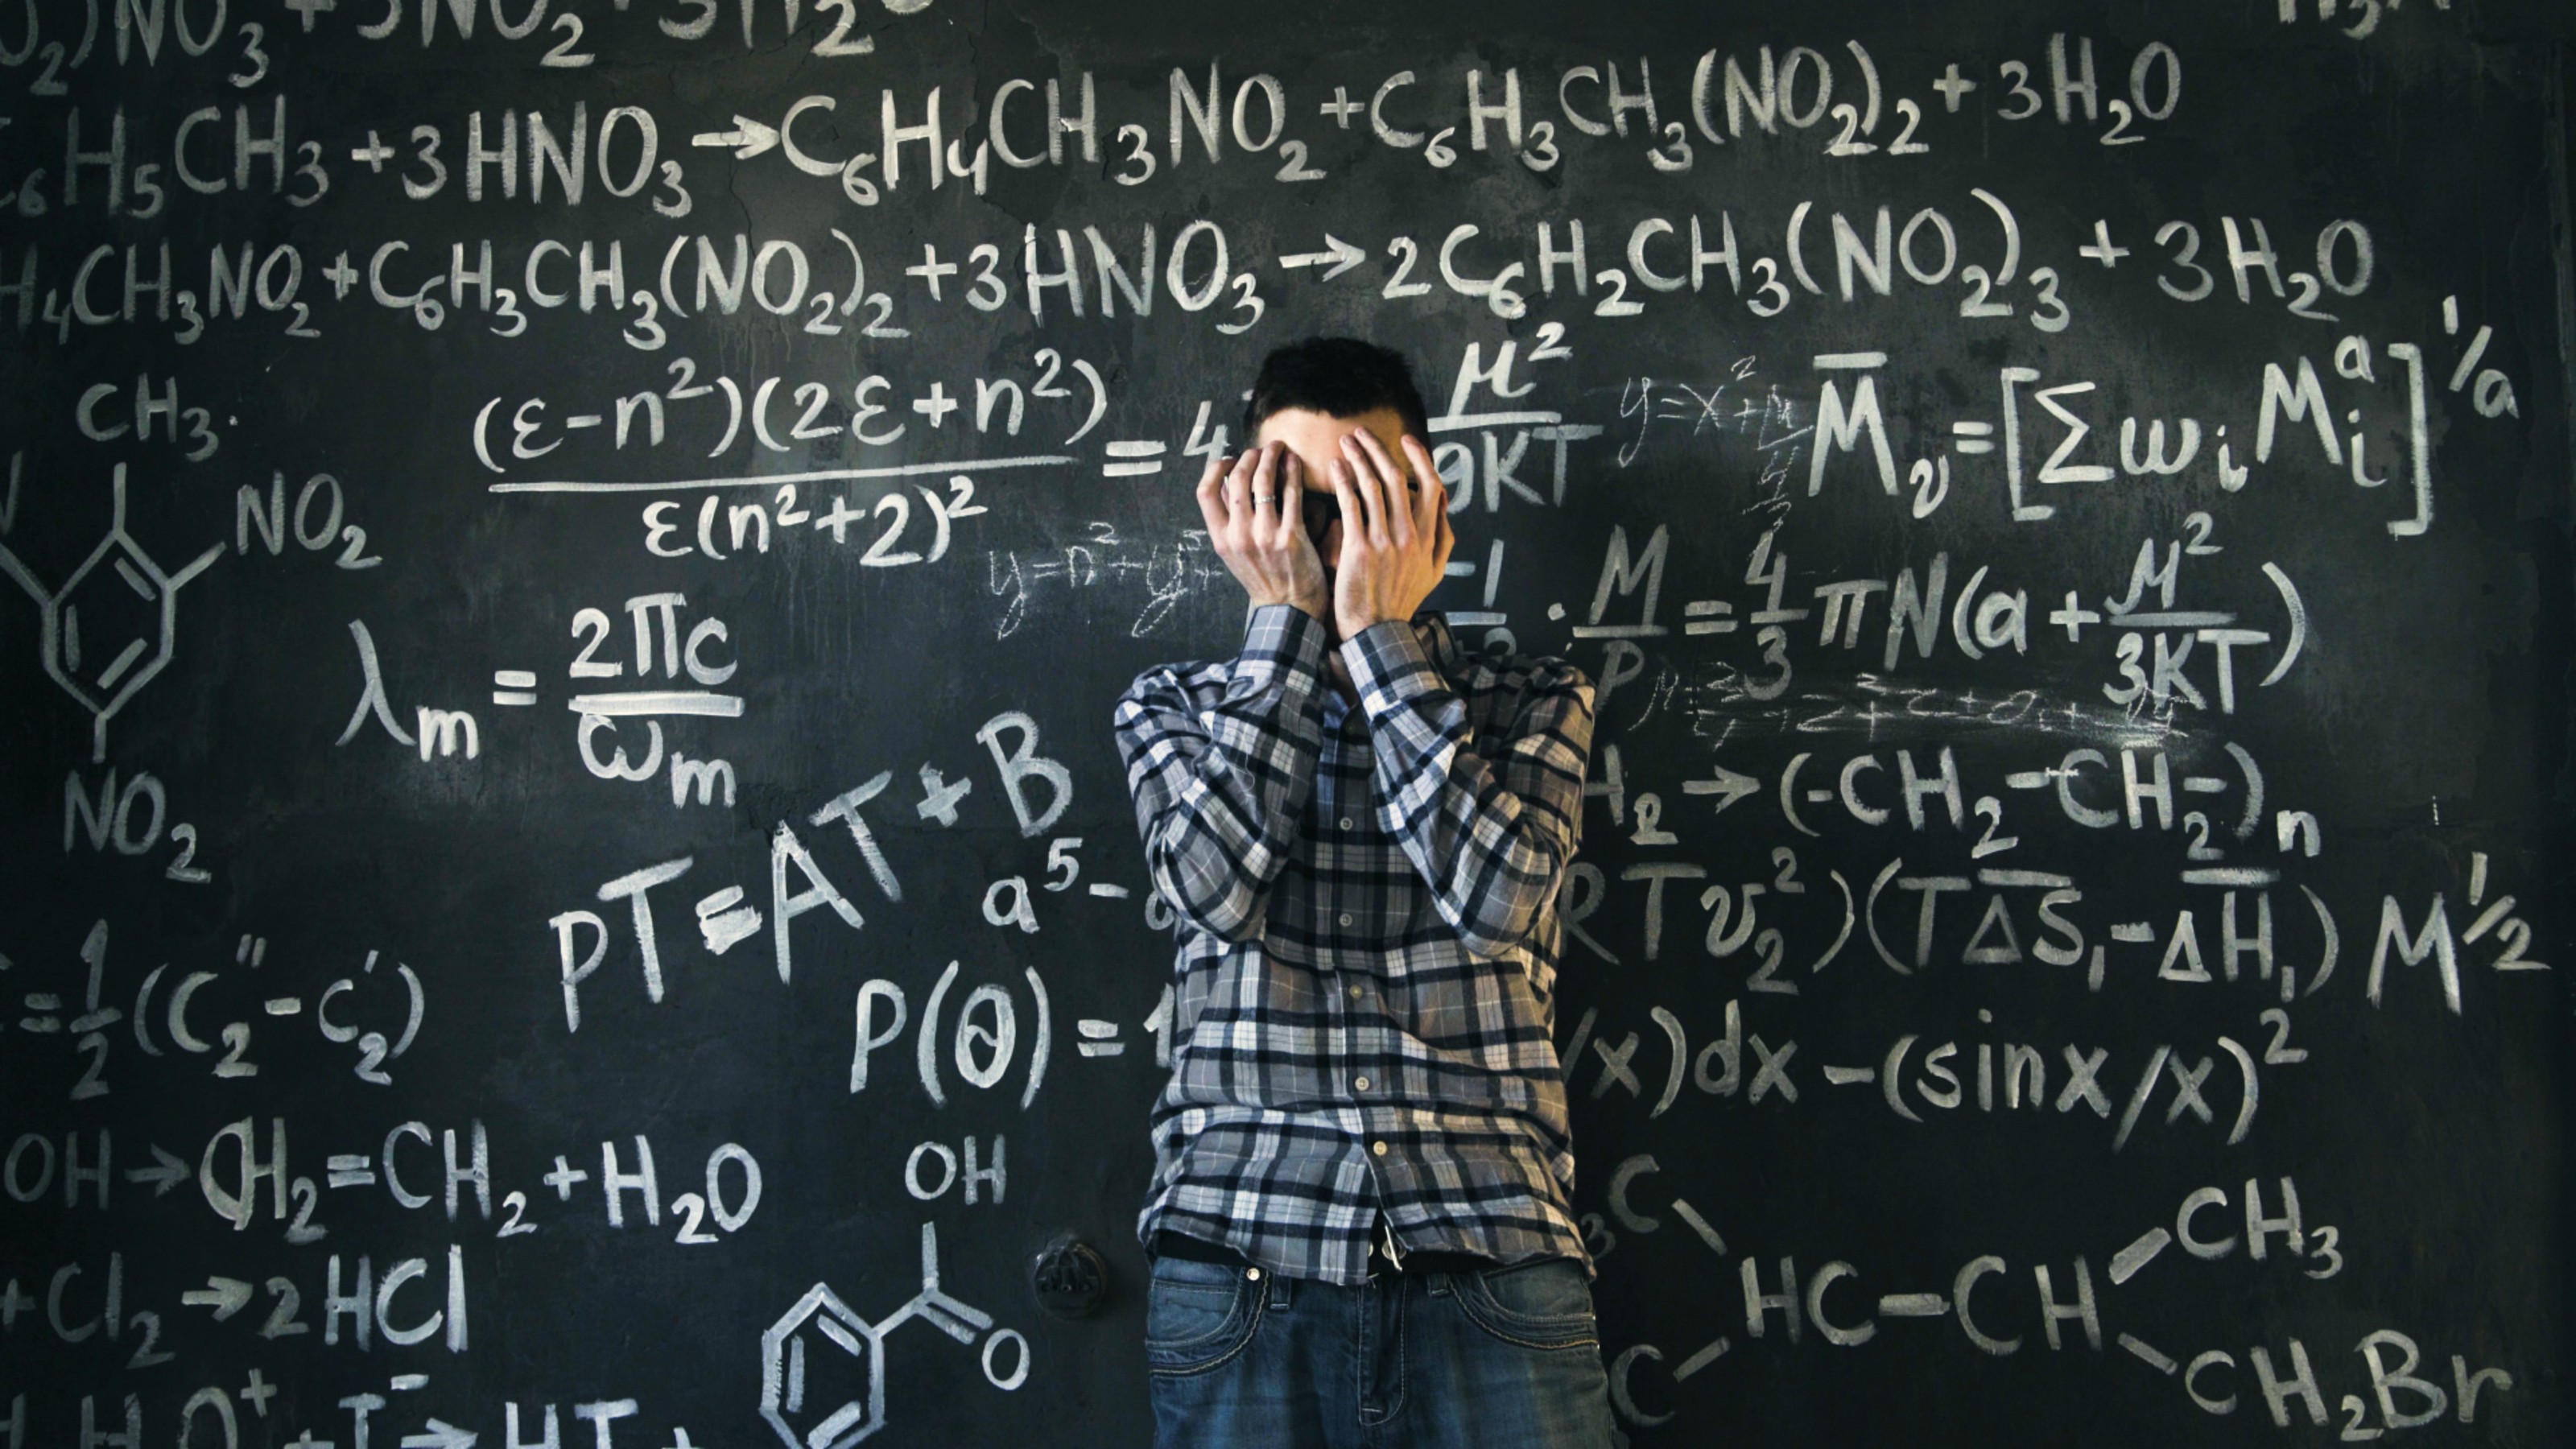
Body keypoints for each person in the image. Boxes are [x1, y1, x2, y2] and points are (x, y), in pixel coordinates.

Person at [1110, 336, 1615, 1448]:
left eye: (1363, 498)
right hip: (1243, 1267)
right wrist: (1286, 627)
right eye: (1296, 501)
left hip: (1490, 1264)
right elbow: (1209, 891)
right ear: (1246, 509)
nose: (1329, 536)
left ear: (1428, 505)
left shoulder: (1533, 700)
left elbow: (1500, 901)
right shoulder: (1175, 707)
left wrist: (1380, 642)